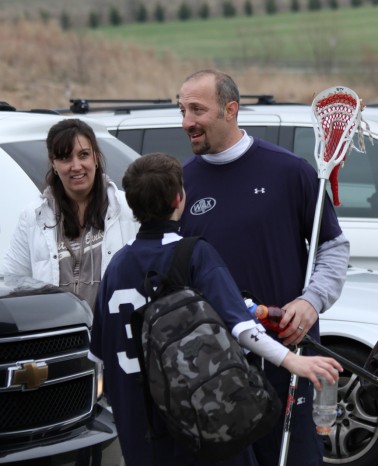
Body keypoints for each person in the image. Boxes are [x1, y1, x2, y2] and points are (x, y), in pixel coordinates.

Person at [88, 152, 343, 466]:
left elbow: (97, 355)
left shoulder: (116, 266)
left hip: (137, 428)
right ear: (180, 198)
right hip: (191, 418)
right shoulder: (194, 253)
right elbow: (242, 328)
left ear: (131, 205)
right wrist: (293, 361)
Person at [177, 69, 350, 466]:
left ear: (231, 110)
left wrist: (311, 302)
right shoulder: (182, 183)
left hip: (287, 356)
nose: (186, 121)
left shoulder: (289, 171)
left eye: (197, 109)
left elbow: (333, 247)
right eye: (182, 109)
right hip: (214, 364)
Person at [1, 118, 139, 466]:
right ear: (53, 163)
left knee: (118, 451)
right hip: (65, 360)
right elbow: (13, 282)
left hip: (118, 356)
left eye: (83, 155)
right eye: (65, 158)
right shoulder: (33, 217)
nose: (75, 166)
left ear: (96, 157)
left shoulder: (127, 210)